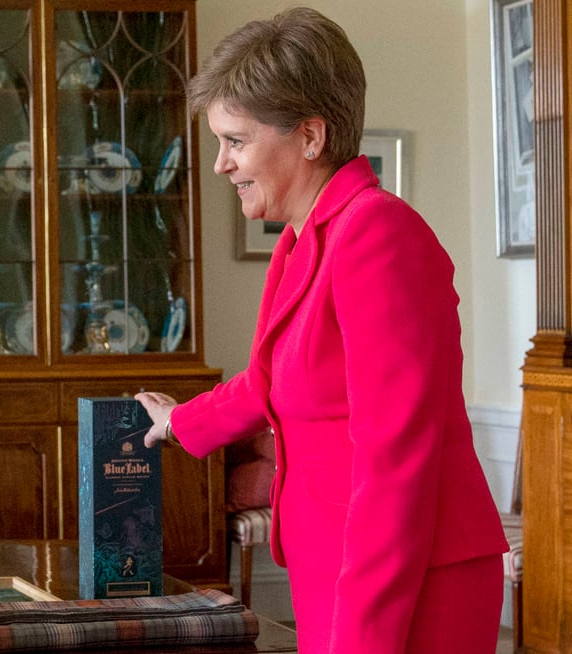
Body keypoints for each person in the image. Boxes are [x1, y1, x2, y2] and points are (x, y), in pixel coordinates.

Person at [135, 8, 508, 653]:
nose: (221, 164)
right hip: (331, 562)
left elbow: (396, 460)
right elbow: (268, 382)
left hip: (407, 577)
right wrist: (180, 422)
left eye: (236, 141)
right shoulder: (302, 241)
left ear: (310, 136)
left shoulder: (379, 234)